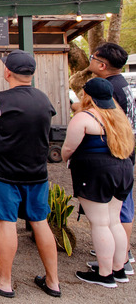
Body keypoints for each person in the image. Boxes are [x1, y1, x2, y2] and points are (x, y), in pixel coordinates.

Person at [0, 49, 61, 298]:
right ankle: (53, 282)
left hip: (4, 173)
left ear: (7, 71)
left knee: (6, 223)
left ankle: (4, 282)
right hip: (37, 172)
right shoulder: (44, 100)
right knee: (40, 222)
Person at [63, 78, 135, 287]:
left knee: (100, 223)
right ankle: (119, 268)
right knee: (114, 221)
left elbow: (68, 148)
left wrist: (68, 160)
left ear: (88, 95)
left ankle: (104, 274)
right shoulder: (119, 117)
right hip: (123, 170)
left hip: (96, 172)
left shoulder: (84, 117)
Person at [74, 43, 136, 275]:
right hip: (123, 156)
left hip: (109, 157)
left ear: (102, 64)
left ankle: (119, 262)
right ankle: (117, 260)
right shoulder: (121, 86)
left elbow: (104, 124)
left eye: (92, 57)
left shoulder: (108, 90)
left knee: (113, 217)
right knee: (115, 216)